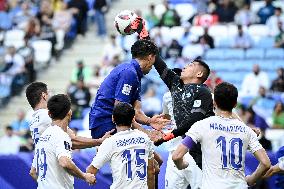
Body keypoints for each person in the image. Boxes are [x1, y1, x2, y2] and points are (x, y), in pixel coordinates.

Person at [172, 82, 271, 188]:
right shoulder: (246, 130)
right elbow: (266, 163)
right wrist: (251, 179)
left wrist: (182, 165)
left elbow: (177, 156)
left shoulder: (201, 126)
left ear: (214, 102)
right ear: (235, 104)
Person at [89, 39, 169, 139]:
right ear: (150, 57)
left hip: (109, 120)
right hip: (106, 122)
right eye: (154, 61)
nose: (152, 66)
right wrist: (145, 132)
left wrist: (149, 121)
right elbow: (120, 112)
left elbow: (136, 111)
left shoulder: (134, 74)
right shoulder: (129, 73)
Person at [153, 56, 214, 169]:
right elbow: (159, 63)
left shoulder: (203, 92)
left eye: (191, 65)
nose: (185, 67)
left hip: (203, 148)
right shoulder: (175, 86)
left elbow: (193, 122)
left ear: (199, 74)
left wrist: (165, 138)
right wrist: (145, 39)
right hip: (184, 145)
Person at [29, 94, 96, 188]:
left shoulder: (43, 136)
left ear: (49, 114)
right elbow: (64, 162)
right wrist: (84, 176)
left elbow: (33, 172)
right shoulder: (60, 135)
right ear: (69, 113)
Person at [87, 102, 155, 189]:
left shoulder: (110, 142)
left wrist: (99, 150)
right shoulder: (144, 138)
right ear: (133, 119)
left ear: (113, 118)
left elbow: (91, 171)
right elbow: (151, 171)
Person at [25, 81, 111, 147]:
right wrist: (99, 141)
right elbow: (72, 140)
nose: (51, 95)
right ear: (44, 95)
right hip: (54, 167)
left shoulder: (33, 120)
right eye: (49, 92)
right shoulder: (47, 116)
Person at [162, 68, 202, 189]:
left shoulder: (199, 93)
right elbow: (166, 118)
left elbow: (221, 105)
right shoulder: (167, 97)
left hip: (193, 151)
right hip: (174, 151)